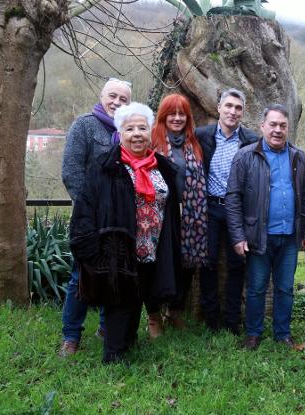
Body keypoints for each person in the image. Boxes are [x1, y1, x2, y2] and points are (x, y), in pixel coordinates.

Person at [69, 102, 182, 364]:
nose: (137, 134)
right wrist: (88, 247)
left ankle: (128, 343)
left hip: (152, 245)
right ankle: (114, 354)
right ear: (120, 132)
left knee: (138, 295)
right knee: (119, 299)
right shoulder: (106, 165)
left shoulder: (162, 167)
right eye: (129, 128)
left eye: (142, 127)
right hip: (117, 248)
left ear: (150, 131)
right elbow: (86, 207)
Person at [226, 104, 305, 350]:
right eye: (273, 124)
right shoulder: (245, 156)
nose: (277, 130)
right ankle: (253, 333)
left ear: (288, 128)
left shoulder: (298, 156)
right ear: (262, 126)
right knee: (256, 288)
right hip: (258, 236)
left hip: (289, 237)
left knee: (285, 288)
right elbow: (233, 198)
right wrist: (237, 236)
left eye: (282, 126)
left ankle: (282, 333)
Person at [59, 78, 131, 356]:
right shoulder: (85, 126)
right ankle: (71, 335)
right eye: (112, 96)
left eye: (123, 99)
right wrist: (91, 209)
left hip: (118, 221)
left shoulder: (128, 130)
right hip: (88, 219)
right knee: (82, 275)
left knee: (113, 272)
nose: (116, 102)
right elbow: (71, 171)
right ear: (101, 96)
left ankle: (105, 328)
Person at [195, 88, 259, 334]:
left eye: (238, 107)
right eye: (229, 106)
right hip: (209, 207)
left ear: (243, 112)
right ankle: (211, 319)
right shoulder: (202, 136)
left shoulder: (252, 140)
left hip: (238, 211)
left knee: (237, 263)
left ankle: (233, 320)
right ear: (219, 108)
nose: (233, 111)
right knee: (208, 262)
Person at [150, 94, 207, 337]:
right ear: (163, 116)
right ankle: (153, 316)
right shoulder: (153, 141)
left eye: (181, 114)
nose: (176, 118)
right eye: (171, 113)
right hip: (161, 214)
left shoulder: (193, 143)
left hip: (191, 215)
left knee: (187, 265)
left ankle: (174, 311)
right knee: (159, 265)